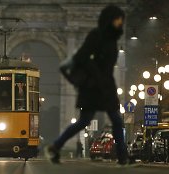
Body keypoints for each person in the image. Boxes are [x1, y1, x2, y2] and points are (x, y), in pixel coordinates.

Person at [45, 5, 128, 165]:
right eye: (118, 18)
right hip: (93, 86)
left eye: (121, 19)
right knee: (84, 121)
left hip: (106, 85)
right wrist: (96, 72)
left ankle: (123, 157)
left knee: (116, 121)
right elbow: (82, 56)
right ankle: (56, 146)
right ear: (110, 19)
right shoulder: (96, 35)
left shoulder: (113, 38)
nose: (120, 22)